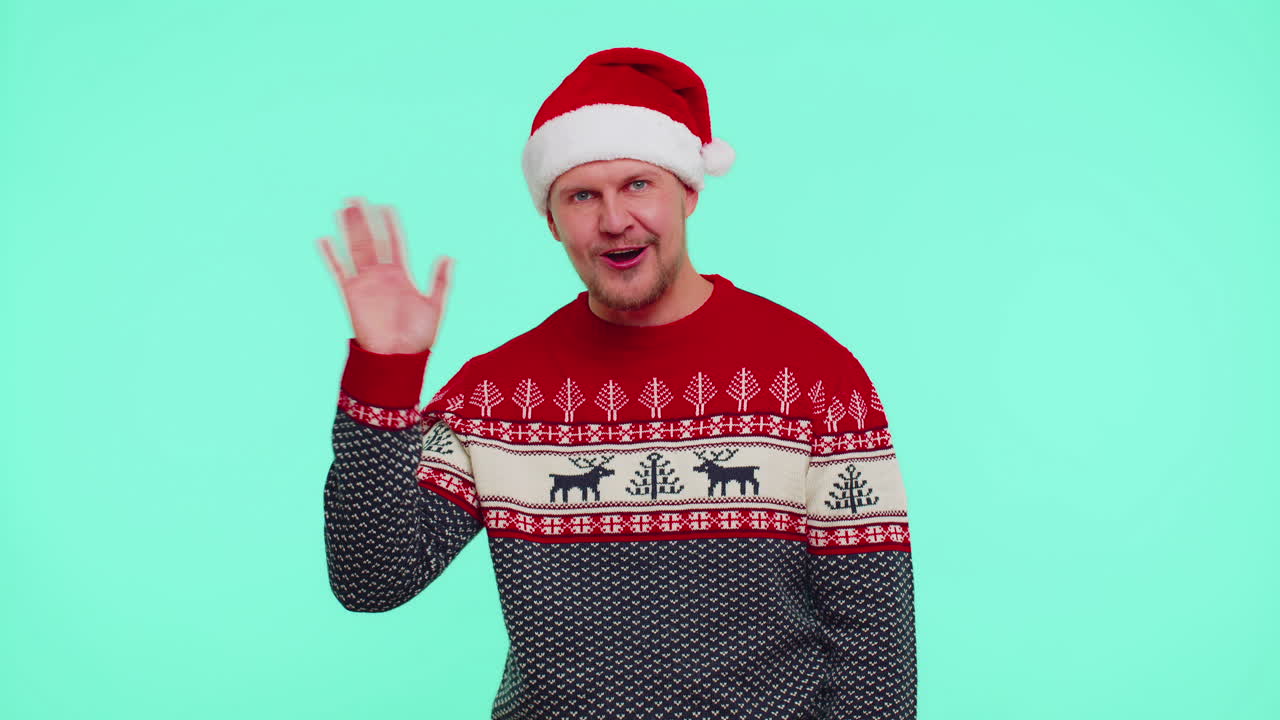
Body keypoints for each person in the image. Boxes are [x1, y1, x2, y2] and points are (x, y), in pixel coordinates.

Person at [318, 47, 916, 720]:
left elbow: (875, 646)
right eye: (582, 196)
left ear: (689, 193)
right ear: (552, 220)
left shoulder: (814, 378)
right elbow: (372, 579)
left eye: (637, 185)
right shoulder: (495, 395)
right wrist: (386, 372)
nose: (613, 220)